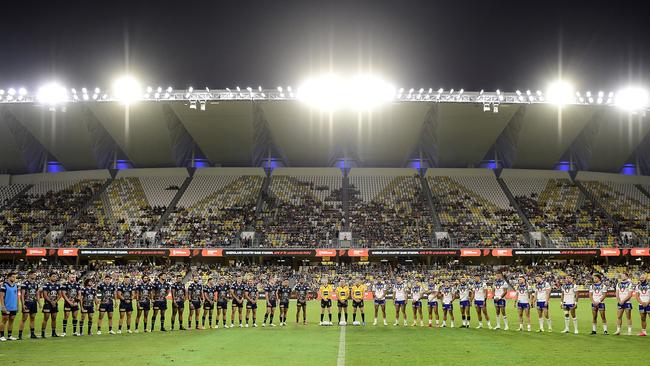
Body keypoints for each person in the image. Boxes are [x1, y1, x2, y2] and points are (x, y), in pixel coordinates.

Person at [18, 270, 39, 339]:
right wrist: (23, 304)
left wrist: (39, 303)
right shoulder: (25, 284)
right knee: (24, 318)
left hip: (33, 303)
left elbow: (37, 294)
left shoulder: (36, 284)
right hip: (27, 302)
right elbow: (22, 295)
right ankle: (20, 335)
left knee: (32, 318)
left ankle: (32, 334)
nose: (35, 276)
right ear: (29, 275)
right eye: (33, 274)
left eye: (35, 275)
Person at [41, 272, 61, 338]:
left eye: (55, 276)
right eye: (53, 276)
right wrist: (51, 301)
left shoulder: (58, 285)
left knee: (54, 318)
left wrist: (55, 301)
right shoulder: (46, 285)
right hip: (47, 304)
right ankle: (43, 333)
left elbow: (59, 294)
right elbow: (45, 295)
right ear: (50, 277)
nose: (55, 278)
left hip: (55, 303)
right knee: (46, 318)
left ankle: (53, 332)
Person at [0, 272, 19, 341]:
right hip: (6, 306)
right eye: (13, 277)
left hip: (13, 306)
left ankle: (9, 335)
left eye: (15, 277)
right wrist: (3, 306)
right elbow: (1, 297)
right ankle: (1, 335)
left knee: (11, 321)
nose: (14, 278)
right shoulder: (4, 286)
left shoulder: (16, 286)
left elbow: (16, 296)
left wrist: (17, 306)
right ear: (9, 277)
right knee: (4, 320)